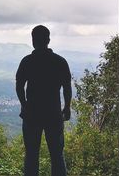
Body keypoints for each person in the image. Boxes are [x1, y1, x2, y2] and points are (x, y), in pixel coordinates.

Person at [16, 25, 72, 176]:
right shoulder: (60, 61)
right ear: (48, 40)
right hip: (53, 114)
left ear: (33, 40)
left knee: (32, 155)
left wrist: (24, 105)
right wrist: (67, 107)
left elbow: (19, 86)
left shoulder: (27, 61)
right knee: (57, 155)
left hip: (32, 114)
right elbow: (67, 87)